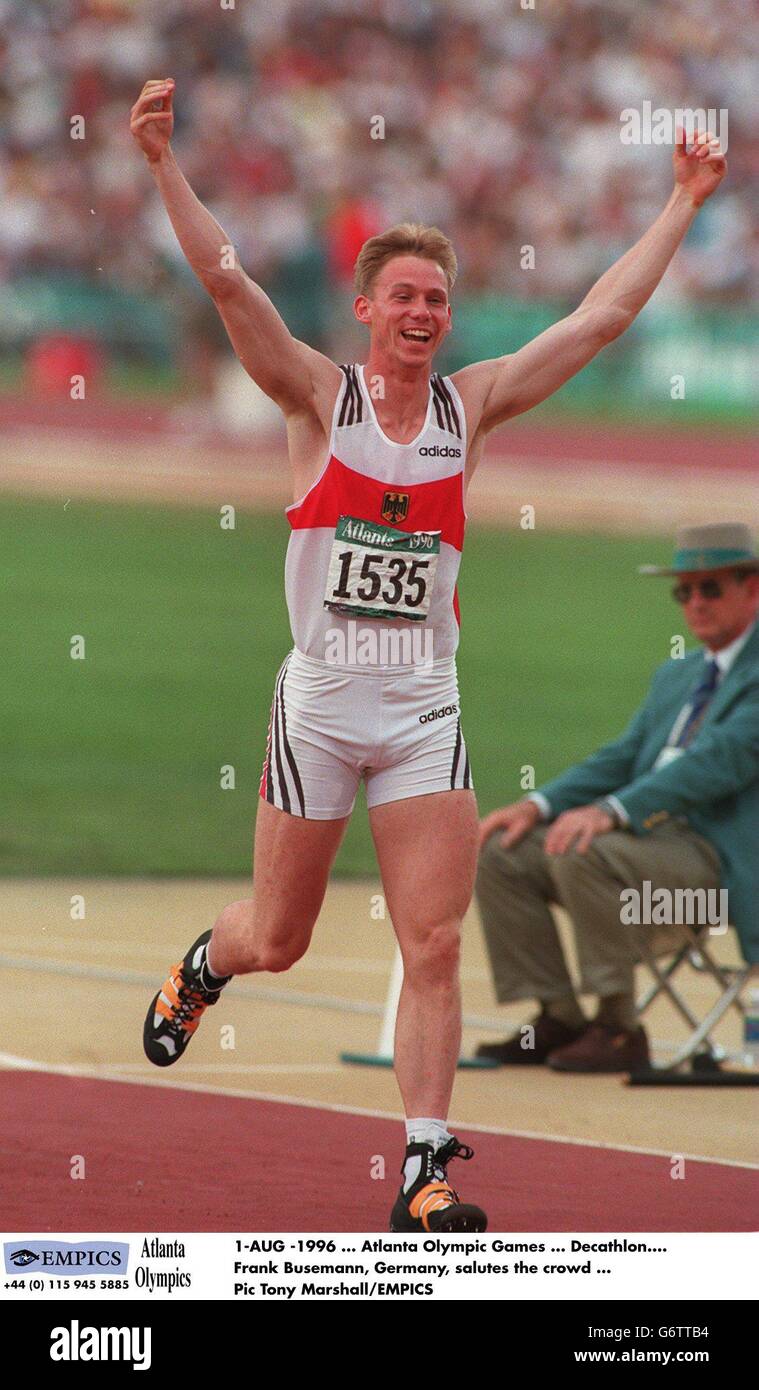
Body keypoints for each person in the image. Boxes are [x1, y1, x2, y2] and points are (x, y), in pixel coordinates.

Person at [130, 76, 726, 1229]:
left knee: (436, 941)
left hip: (422, 710)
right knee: (282, 938)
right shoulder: (318, 397)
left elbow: (598, 321)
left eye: (439, 299)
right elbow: (226, 278)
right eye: (404, 294)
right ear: (364, 308)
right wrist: (161, 162)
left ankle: (422, 1167)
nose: (423, 312)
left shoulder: (473, 408)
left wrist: (683, 201)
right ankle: (208, 961)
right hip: (319, 705)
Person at [476, 523, 759, 1073]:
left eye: (711, 588)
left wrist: (611, 812)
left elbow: (717, 762)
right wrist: (538, 804)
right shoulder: (677, 674)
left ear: (753, 590)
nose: (694, 603)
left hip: (718, 878)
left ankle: (617, 1026)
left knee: (585, 849)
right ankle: (559, 1015)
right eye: (684, 591)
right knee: (502, 850)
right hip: (649, 852)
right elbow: (622, 756)